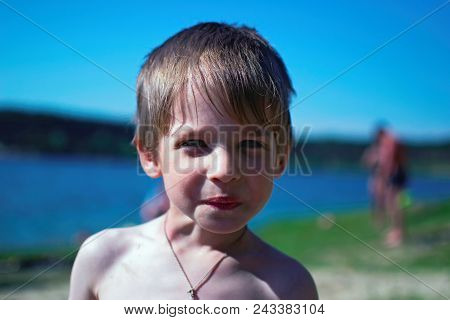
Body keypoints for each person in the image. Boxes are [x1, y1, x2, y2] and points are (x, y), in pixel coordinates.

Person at [69, 22, 318, 300]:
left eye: (250, 144)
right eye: (195, 144)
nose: (224, 171)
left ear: (280, 157)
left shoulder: (288, 287)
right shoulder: (103, 259)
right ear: (150, 155)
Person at [362, 126, 408, 247]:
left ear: (379, 133)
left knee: (394, 204)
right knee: (393, 204)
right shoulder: (392, 138)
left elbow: (389, 160)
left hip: (394, 174)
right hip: (397, 173)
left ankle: (398, 233)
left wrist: (385, 177)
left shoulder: (389, 140)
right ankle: (396, 231)